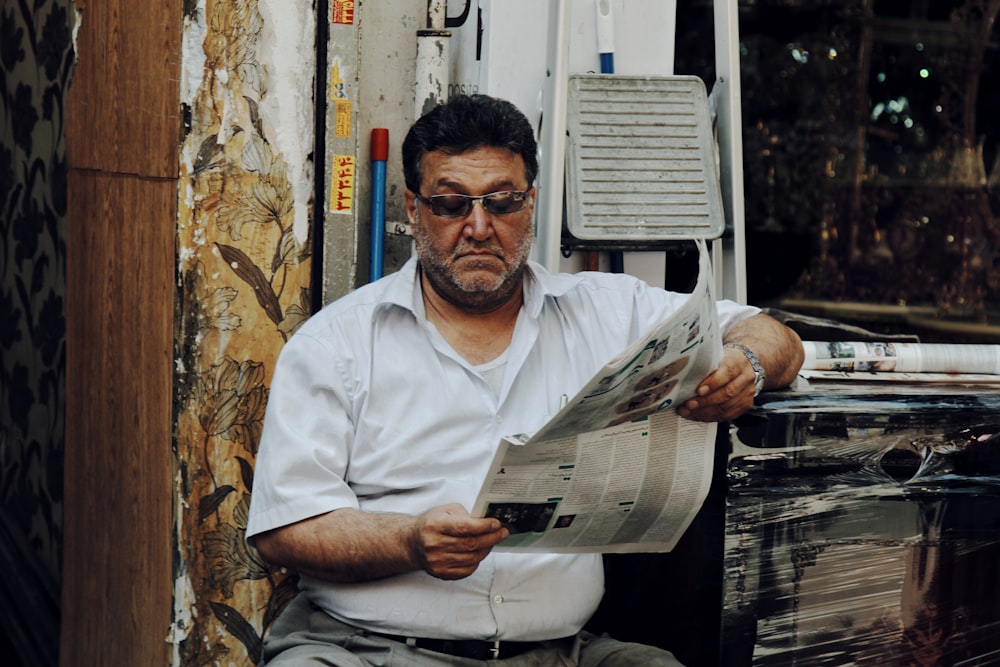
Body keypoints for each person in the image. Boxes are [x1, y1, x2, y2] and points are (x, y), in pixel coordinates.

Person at [246, 94, 804, 666]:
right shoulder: (336, 344)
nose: (480, 227)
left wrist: (747, 367)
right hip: (367, 651)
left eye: (503, 201)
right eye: (451, 204)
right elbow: (285, 529)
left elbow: (775, 336)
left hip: (560, 653)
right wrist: (408, 541)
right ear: (414, 210)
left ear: (531, 204)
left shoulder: (604, 312)